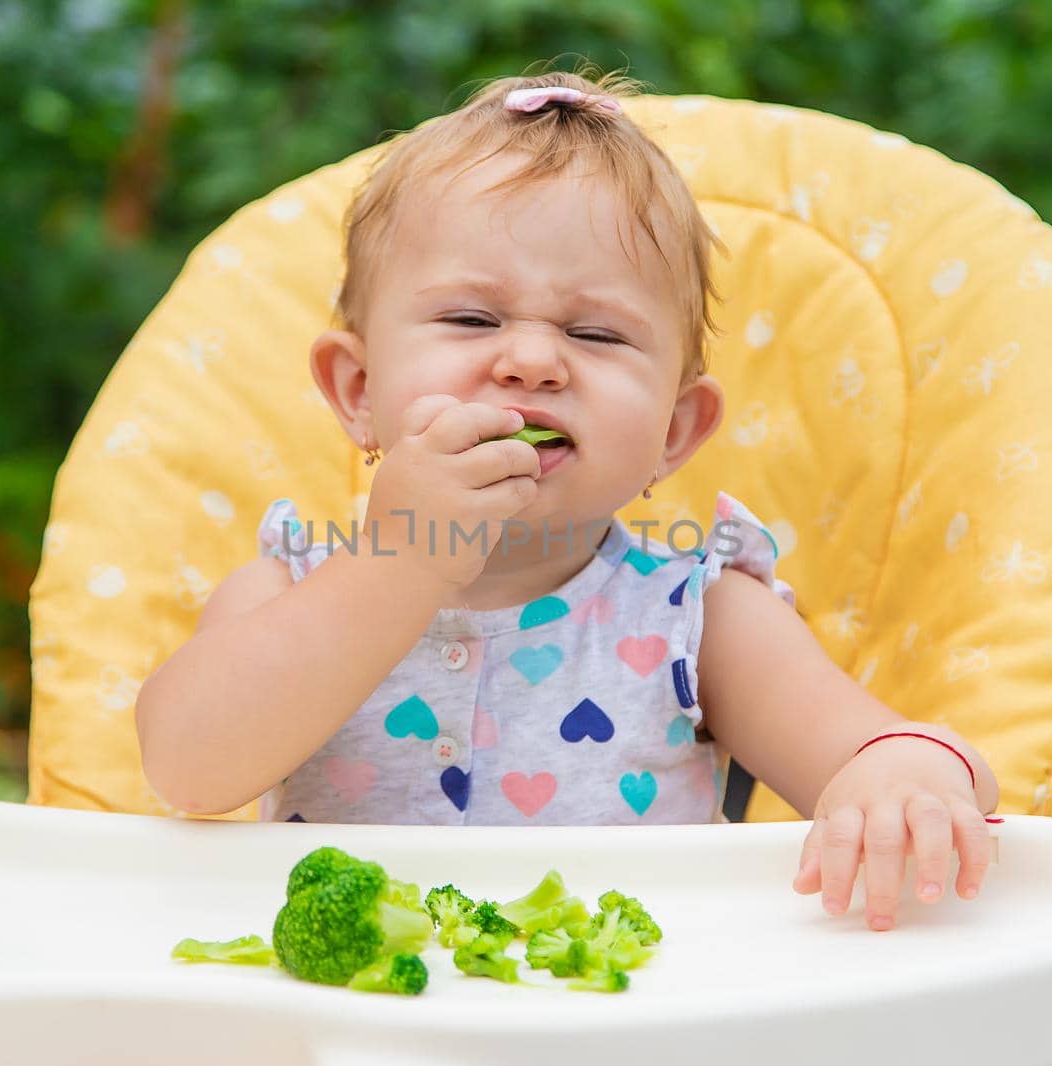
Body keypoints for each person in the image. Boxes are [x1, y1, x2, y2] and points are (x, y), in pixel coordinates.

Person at [135, 66, 1001, 934]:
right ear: (359, 389)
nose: (533, 362)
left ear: (674, 429)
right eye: (473, 320)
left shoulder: (698, 619)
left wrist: (907, 777)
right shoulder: (290, 587)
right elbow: (184, 769)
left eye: (595, 334)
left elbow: (881, 751)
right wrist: (398, 564)